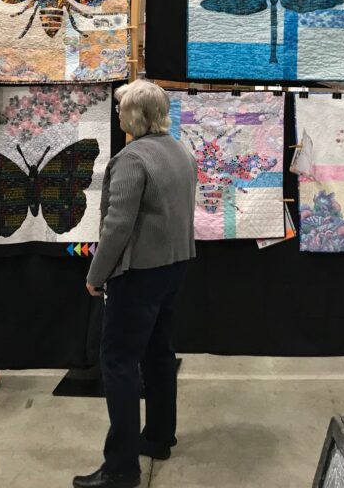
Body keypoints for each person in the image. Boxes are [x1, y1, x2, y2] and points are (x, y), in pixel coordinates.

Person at [75, 80, 197, 488]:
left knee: (119, 362)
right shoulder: (180, 150)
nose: (117, 115)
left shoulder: (132, 159)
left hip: (139, 274)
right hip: (175, 266)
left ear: (131, 115)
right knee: (159, 355)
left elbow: (117, 227)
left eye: (120, 108)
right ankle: (159, 438)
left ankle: (121, 467)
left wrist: (96, 275)